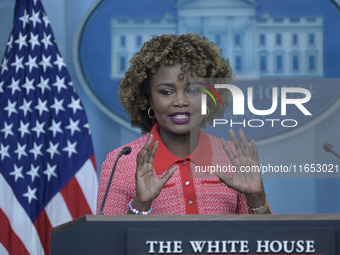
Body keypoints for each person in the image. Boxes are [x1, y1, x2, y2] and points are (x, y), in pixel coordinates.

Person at [97, 33, 271, 215]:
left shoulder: (232, 157)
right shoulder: (122, 163)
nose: (181, 101)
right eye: (166, 92)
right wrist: (141, 204)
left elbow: (270, 243)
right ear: (148, 99)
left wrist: (257, 198)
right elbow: (106, 242)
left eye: (193, 90)